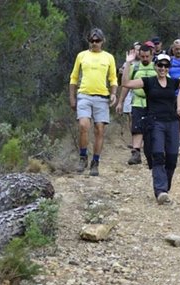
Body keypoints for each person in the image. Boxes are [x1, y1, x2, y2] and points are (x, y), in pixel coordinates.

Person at [121, 50, 180, 204]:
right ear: (155, 66)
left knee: (171, 158)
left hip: (171, 122)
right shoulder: (148, 81)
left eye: (166, 66)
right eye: (160, 65)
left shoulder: (173, 82)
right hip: (155, 122)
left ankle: (165, 186)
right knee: (158, 154)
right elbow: (126, 83)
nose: (163, 68)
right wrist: (128, 63)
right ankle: (160, 190)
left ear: (169, 67)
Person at [69, 28, 118, 176]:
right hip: (84, 95)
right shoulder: (82, 56)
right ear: (88, 41)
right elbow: (74, 77)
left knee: (99, 129)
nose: (94, 43)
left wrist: (114, 93)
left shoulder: (109, 57)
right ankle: (83, 157)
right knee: (84, 125)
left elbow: (113, 78)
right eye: (92, 40)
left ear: (103, 41)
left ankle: (95, 162)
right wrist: (72, 97)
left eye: (97, 40)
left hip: (102, 97)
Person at [116, 44, 156, 165]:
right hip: (138, 101)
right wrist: (120, 102)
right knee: (137, 127)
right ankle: (136, 153)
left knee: (153, 128)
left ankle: (154, 153)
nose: (145, 59)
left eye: (147, 56)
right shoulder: (135, 67)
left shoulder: (157, 67)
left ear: (151, 55)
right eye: (142, 56)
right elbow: (126, 85)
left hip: (154, 102)